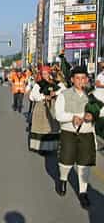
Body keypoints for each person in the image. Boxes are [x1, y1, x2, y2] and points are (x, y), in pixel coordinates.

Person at [55, 66, 100, 209]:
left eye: (83, 78)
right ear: (72, 80)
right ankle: (63, 179)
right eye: (78, 78)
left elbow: (100, 112)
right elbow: (59, 115)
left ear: (87, 79)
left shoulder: (93, 96)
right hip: (69, 132)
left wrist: (93, 115)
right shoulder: (64, 95)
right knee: (66, 160)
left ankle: (83, 192)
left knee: (84, 164)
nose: (81, 81)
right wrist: (72, 117)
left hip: (86, 133)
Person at [29, 65, 66, 155]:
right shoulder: (39, 84)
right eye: (43, 73)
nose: (44, 75)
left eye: (46, 73)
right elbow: (32, 96)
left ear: (49, 74)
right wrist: (44, 96)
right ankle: (42, 148)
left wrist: (55, 93)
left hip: (53, 107)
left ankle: (52, 147)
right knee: (42, 127)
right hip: (41, 107)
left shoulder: (57, 83)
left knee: (52, 127)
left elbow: (64, 91)